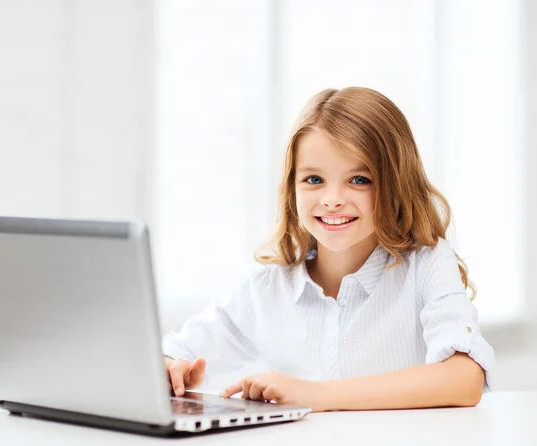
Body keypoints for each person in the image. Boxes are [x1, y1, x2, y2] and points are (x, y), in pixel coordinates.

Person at [162, 87, 494, 412]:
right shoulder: (266, 288)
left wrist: (318, 395)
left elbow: (464, 380)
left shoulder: (427, 264)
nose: (332, 199)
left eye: (359, 179)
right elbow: (174, 353)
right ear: (292, 187)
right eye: (314, 180)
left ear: (396, 184)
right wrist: (171, 369)